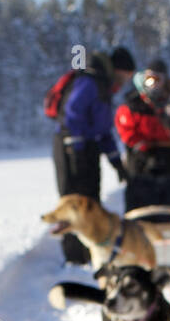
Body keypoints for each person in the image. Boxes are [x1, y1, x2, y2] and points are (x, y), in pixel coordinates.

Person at [47, 46, 136, 264]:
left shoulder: (104, 88)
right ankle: (74, 258)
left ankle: (91, 252)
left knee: (90, 202)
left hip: (88, 148)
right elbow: (73, 113)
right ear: (118, 69)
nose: (126, 81)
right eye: (126, 76)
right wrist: (76, 148)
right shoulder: (89, 82)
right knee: (72, 203)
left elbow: (104, 131)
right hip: (69, 147)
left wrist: (117, 163)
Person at [115, 59, 170, 213]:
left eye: (157, 79)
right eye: (150, 79)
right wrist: (139, 145)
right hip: (141, 156)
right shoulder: (133, 102)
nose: (153, 83)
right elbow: (124, 128)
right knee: (140, 191)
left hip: (168, 154)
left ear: (164, 81)